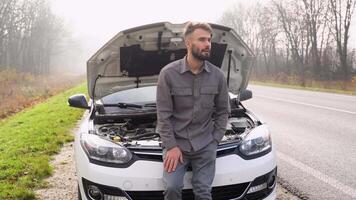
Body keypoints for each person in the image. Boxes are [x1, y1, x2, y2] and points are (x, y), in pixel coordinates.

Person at [156, 21, 230, 200]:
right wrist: (171, 146)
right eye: (202, 39)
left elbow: (223, 111)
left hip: (205, 145)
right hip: (177, 144)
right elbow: (163, 116)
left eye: (209, 40)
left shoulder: (218, 76)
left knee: (204, 192)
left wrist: (215, 141)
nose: (207, 44)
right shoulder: (168, 74)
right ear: (188, 43)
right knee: (172, 188)